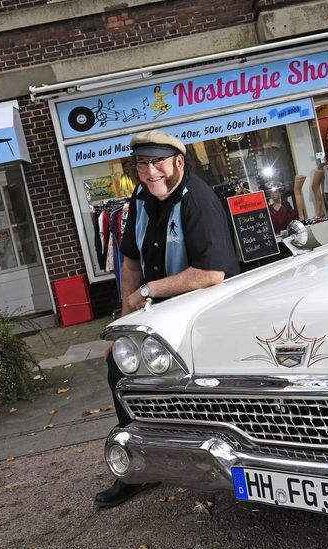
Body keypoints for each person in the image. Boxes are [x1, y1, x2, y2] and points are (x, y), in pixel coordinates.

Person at [94, 130, 240, 508]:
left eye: (158, 162)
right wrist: (122, 326)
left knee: (199, 389)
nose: (150, 171)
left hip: (204, 313)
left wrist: (147, 292)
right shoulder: (141, 197)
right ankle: (138, 466)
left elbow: (211, 274)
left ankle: (225, 462)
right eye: (142, 164)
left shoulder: (199, 200)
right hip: (159, 312)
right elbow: (128, 259)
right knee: (122, 372)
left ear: (179, 162)